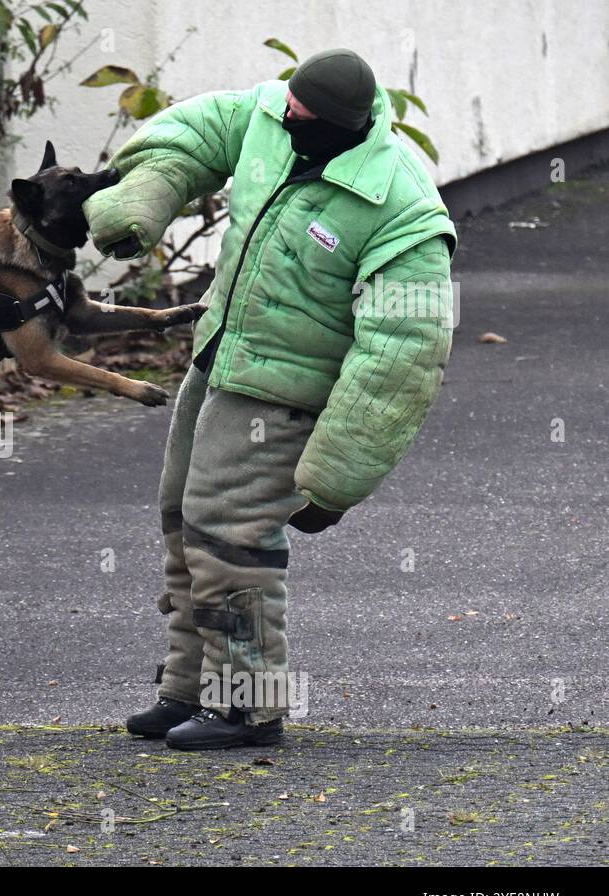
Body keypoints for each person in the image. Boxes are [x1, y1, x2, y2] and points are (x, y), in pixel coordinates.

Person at [83, 49, 456, 750]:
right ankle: (190, 688)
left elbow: (402, 356)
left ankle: (249, 707)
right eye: (286, 106)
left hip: (285, 398)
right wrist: (142, 200)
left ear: (344, 126)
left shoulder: (399, 207)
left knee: (232, 539)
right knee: (182, 525)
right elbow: (191, 136)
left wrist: (336, 479)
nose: (286, 119)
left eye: (303, 118)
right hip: (218, 360)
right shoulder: (271, 116)